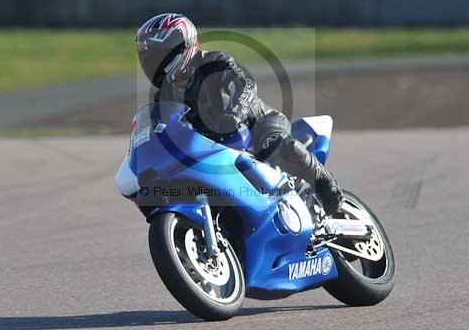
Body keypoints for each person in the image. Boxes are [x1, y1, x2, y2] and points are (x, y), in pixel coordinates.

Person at [135, 12, 343, 214]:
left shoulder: (214, 62)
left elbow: (244, 86)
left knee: (274, 143)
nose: (153, 65)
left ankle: (324, 182)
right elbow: (160, 131)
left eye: (159, 56)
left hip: (255, 124)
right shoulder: (163, 97)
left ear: (182, 47)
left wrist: (233, 113)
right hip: (214, 146)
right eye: (149, 59)